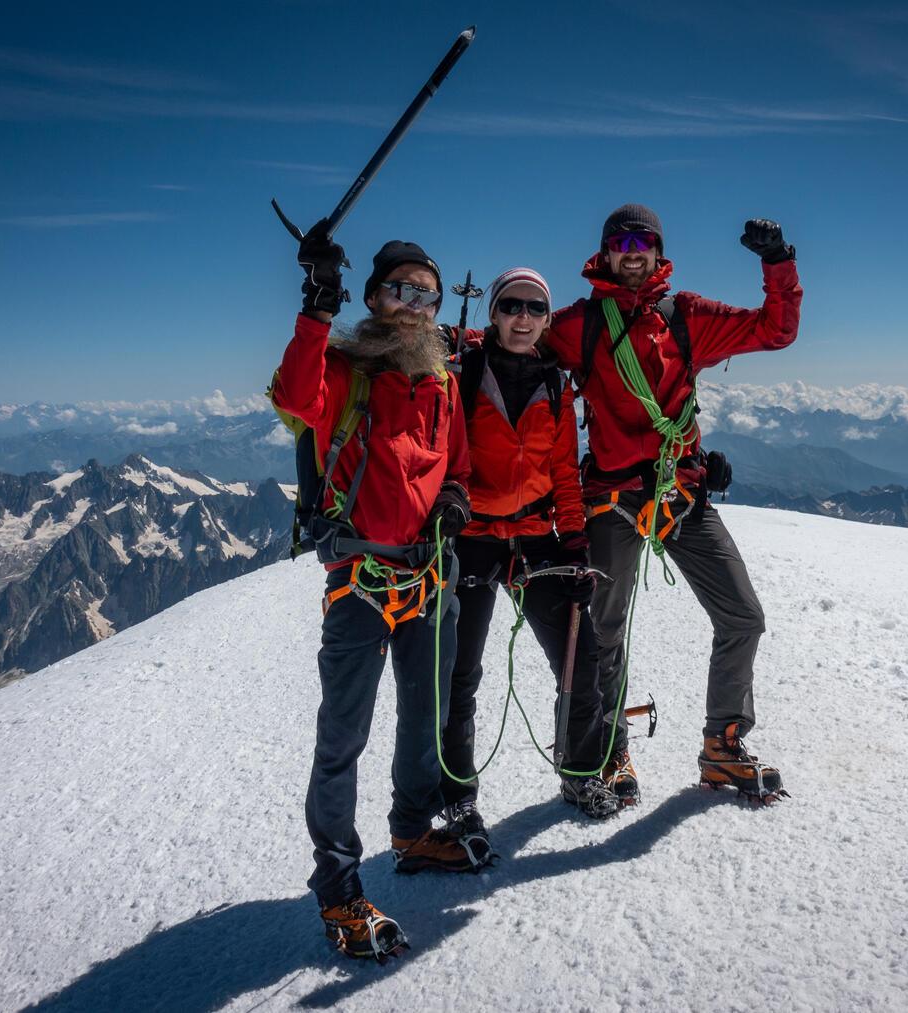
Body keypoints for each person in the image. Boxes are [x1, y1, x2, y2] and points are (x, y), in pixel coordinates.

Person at [271, 220, 493, 962]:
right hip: (360, 582)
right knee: (344, 737)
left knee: (425, 717)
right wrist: (317, 303)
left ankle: (411, 831)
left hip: (429, 575)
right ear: (373, 297)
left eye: (426, 296)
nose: (414, 306)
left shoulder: (443, 382)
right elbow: (294, 394)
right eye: (400, 290)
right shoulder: (344, 371)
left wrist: (454, 500)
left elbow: (456, 468)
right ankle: (337, 885)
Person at [544, 204, 803, 805]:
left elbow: (775, 329)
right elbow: (514, 339)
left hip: (678, 491)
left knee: (743, 616)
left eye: (644, 242)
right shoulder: (580, 325)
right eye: (621, 242)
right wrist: (446, 338)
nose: (633, 252)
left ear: (659, 252)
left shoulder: (684, 317)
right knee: (603, 632)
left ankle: (723, 747)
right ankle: (609, 750)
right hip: (612, 497)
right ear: (605, 252)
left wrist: (778, 262)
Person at [440, 268, 620, 834]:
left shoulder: (555, 383)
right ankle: (457, 794)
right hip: (473, 535)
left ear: (546, 320)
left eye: (535, 308)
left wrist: (576, 541)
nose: (523, 317)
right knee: (459, 671)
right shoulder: (465, 373)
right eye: (512, 305)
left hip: (538, 535)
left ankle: (581, 772)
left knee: (579, 657)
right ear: (494, 313)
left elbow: (564, 471)